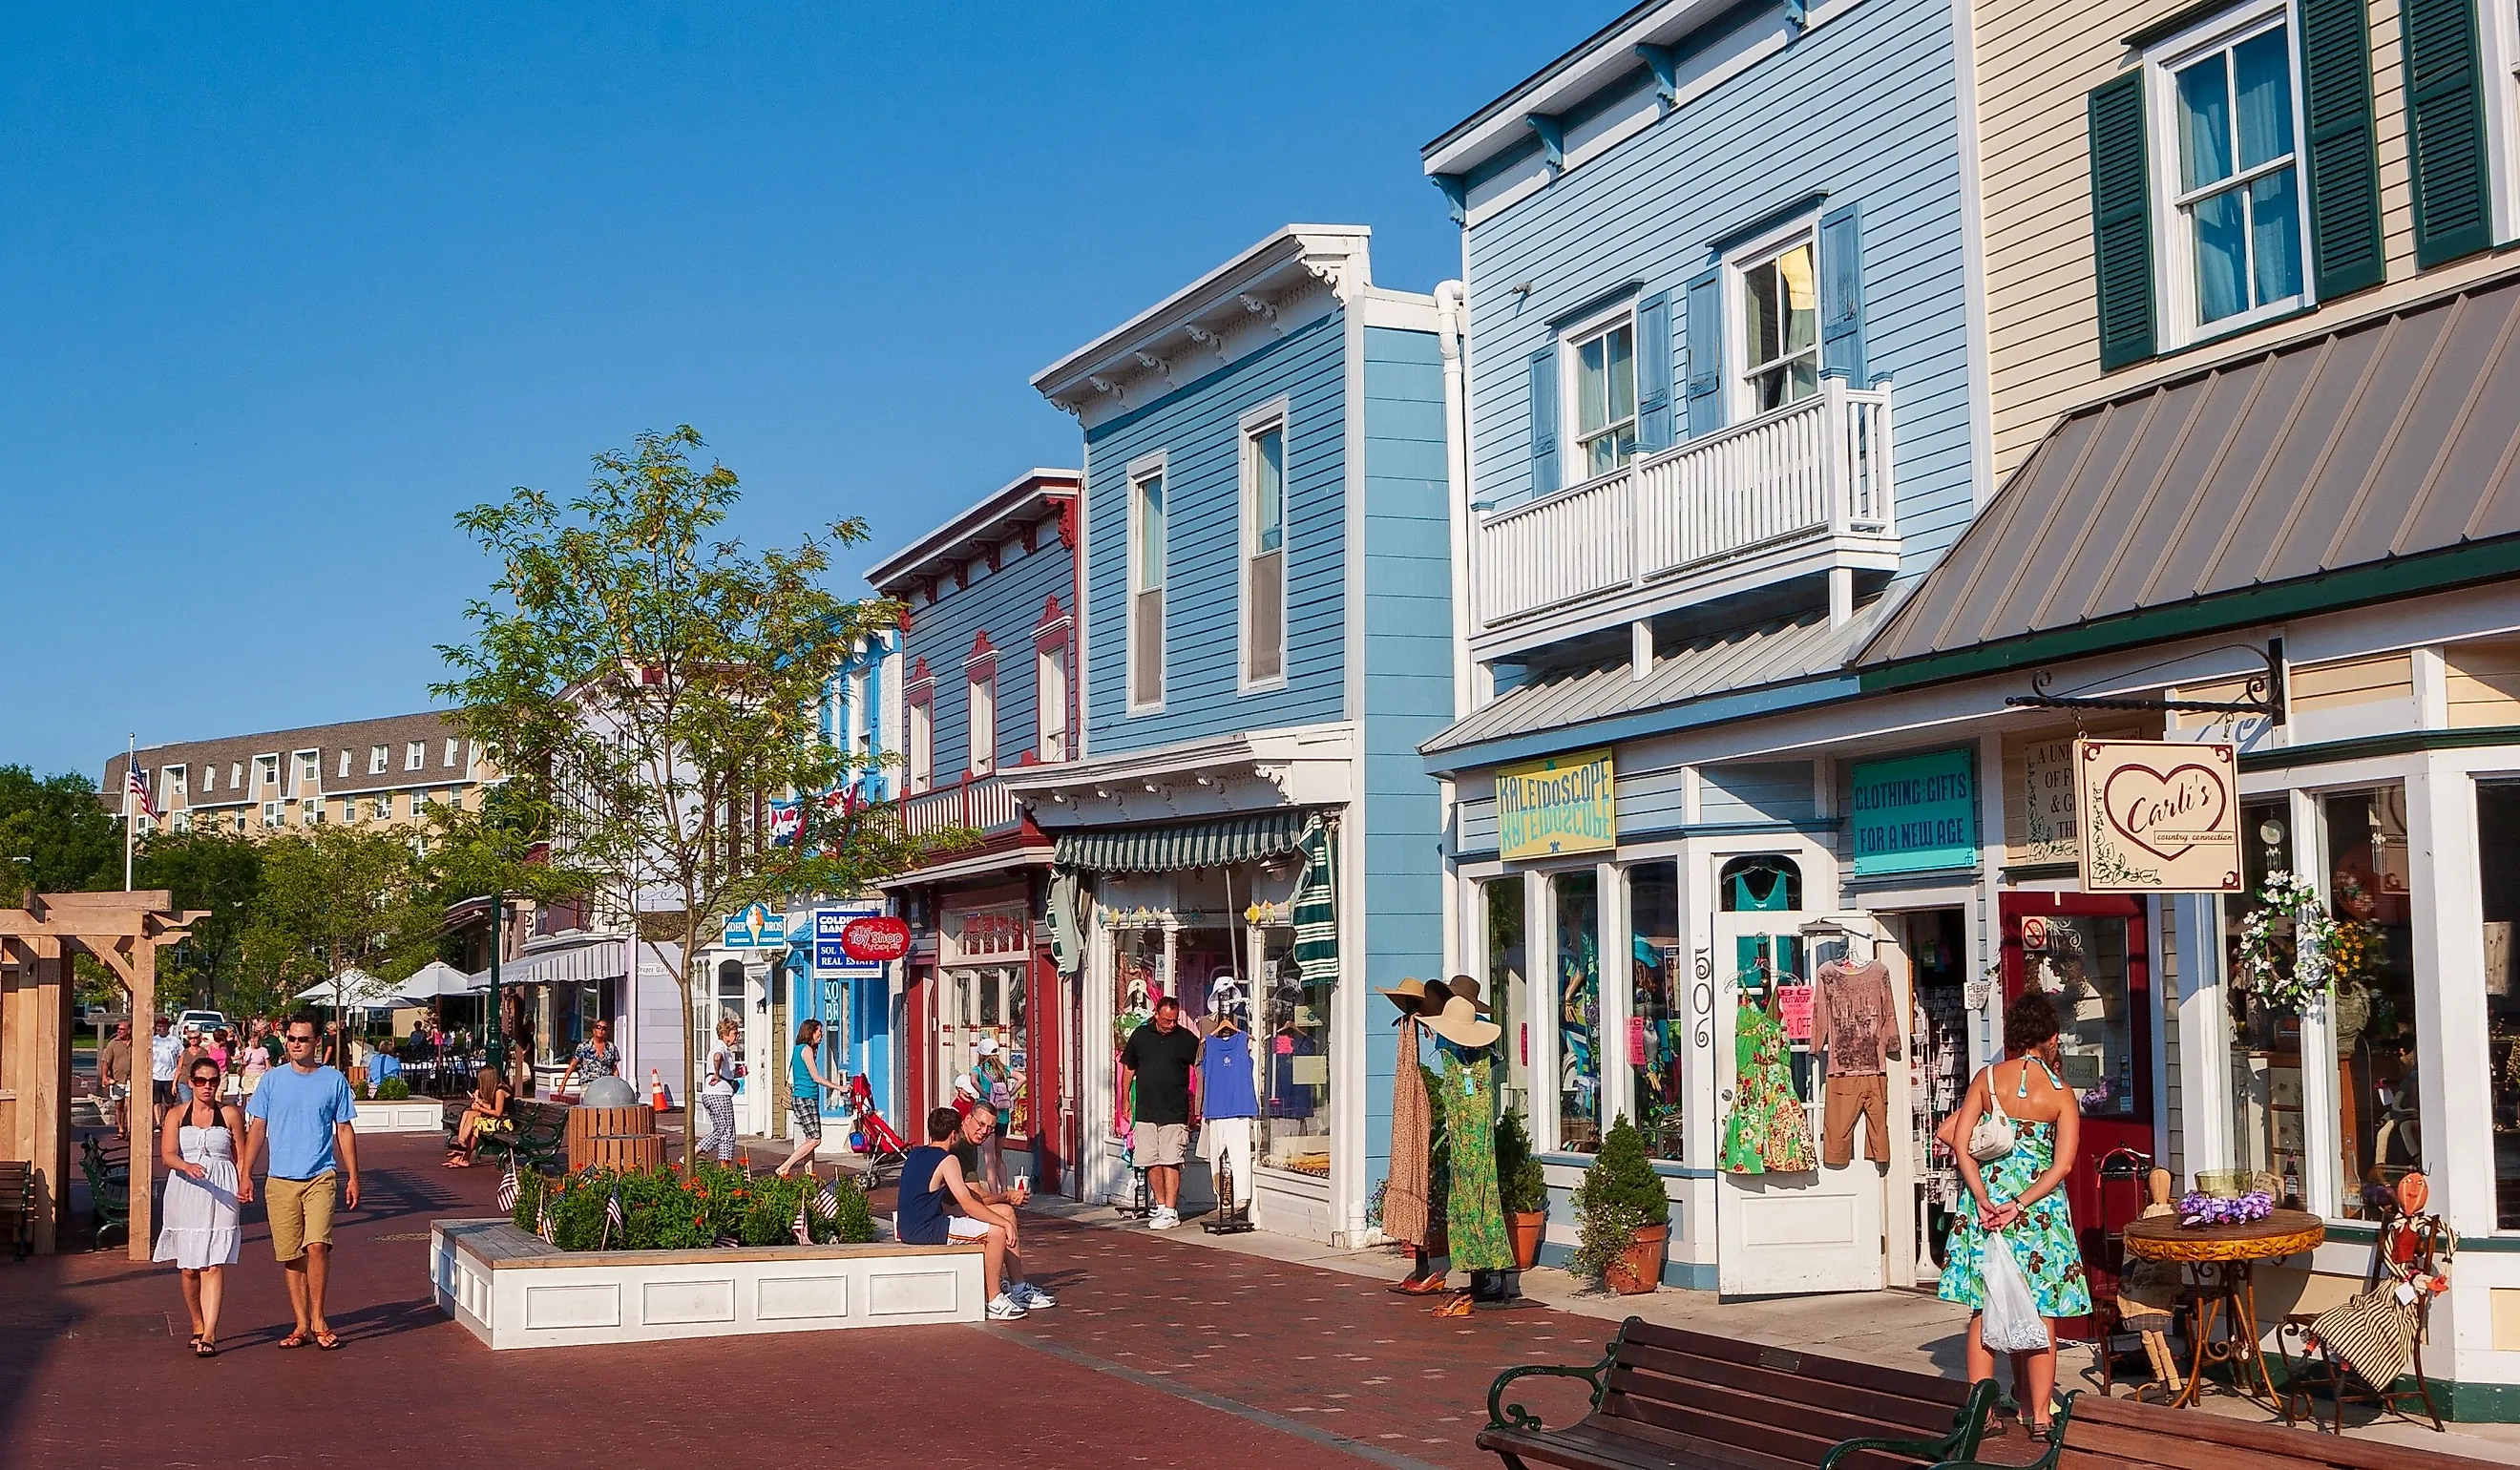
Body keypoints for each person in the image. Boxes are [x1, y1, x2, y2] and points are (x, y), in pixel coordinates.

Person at [1937, 995, 2089, 1441]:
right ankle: (2039, 1416)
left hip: (1984, 1211)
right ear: (2052, 1037)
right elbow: (2062, 1166)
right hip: (2037, 1212)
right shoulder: (2061, 1093)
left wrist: (1983, 1197)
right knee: (2042, 1311)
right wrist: (2020, 1203)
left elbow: (1960, 1143)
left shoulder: (1987, 1079)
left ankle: (1983, 1414)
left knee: (1984, 1309)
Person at [241, 1011, 362, 1352]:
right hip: (280, 1179)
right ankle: (301, 1324)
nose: (295, 1044)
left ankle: (319, 1319)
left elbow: (344, 1129)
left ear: (316, 1042)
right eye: (290, 1038)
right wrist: (246, 1172)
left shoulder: (333, 1080)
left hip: (321, 1175)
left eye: (302, 1039)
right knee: (291, 1254)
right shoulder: (272, 1080)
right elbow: (257, 1128)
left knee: (317, 1246)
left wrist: (353, 1176)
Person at [896, 1102, 1053, 1319]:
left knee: (1000, 1220)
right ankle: (994, 1299)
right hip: (928, 1228)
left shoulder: (915, 1154)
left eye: (990, 1127)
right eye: (981, 1124)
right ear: (955, 1133)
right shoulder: (948, 1158)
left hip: (910, 1225)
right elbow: (969, 1201)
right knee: (997, 1230)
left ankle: (1013, 1288)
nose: (985, 1131)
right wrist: (1005, 1221)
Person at [156, 1056, 246, 1357]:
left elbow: (241, 1155)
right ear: (191, 1083)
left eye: (213, 1081)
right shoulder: (177, 1115)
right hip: (186, 1188)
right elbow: (167, 1154)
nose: (207, 1086)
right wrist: (186, 1165)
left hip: (221, 1189)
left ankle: (210, 1333)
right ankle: (197, 1321)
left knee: (213, 1262)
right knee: (189, 1268)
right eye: (200, 1081)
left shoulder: (230, 1114)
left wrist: (244, 1181)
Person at [1117, 995, 1199, 1228]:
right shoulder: (1141, 1036)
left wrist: (1197, 1105)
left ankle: (1172, 1211)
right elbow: (1128, 1070)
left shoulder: (1186, 1039)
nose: (1170, 1025)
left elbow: (1201, 1070)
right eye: (1166, 1021)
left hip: (1175, 1109)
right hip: (1146, 1109)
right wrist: (1125, 1102)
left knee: (1171, 1160)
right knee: (1149, 1159)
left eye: (1173, 1021)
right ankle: (1161, 1205)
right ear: (1156, 1015)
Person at [775, 1018, 846, 1178]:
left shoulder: (800, 1049)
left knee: (809, 1140)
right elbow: (816, 1077)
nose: (822, 1034)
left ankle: (809, 1176)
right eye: (819, 1031)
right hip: (805, 1097)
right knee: (815, 1139)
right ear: (811, 1032)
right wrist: (838, 1087)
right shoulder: (805, 1050)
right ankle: (784, 1167)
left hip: (807, 1098)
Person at [446, 1066, 512, 1167]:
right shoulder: (496, 1089)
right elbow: (491, 1107)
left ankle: (462, 1152)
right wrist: (478, 1101)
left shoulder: (500, 1091)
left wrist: (479, 1108)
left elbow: (498, 1113)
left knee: (474, 1118)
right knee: (468, 1113)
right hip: (499, 1120)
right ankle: (461, 1147)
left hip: (506, 1123)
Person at [700, 1018, 743, 1165]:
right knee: (728, 1132)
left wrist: (737, 1073)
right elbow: (717, 1058)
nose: (737, 1036)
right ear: (725, 1034)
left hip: (709, 1094)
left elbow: (724, 1068)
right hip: (720, 1094)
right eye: (734, 1033)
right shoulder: (721, 1048)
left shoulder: (721, 1048)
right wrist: (717, 1074)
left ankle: (691, 1155)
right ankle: (725, 1167)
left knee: (720, 1130)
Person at [555, 1019, 619, 1098]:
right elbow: (572, 1065)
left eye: (604, 1028)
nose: (601, 1030)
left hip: (605, 1086)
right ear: (594, 1029)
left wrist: (617, 1085)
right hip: (588, 1085)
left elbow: (614, 1068)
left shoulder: (611, 1048)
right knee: (589, 1109)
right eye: (598, 1027)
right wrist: (563, 1084)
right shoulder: (584, 1047)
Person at [98, 1020, 134, 1138]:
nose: (119, 1031)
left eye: (122, 1029)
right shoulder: (113, 1044)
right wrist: (104, 1076)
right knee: (119, 1105)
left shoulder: (136, 1043)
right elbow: (106, 1062)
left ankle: (129, 1130)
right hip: (118, 1080)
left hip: (132, 1080)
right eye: (118, 1029)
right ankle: (120, 1128)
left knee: (130, 1104)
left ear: (129, 1030)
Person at [148, 1017, 182, 1128]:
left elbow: (181, 1055)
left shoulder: (174, 1040)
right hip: (155, 1076)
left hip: (169, 1077)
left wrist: (178, 1069)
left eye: (162, 1026)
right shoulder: (153, 1040)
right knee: (156, 1101)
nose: (159, 1028)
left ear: (167, 1027)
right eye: (158, 1026)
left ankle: (166, 1120)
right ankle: (158, 1122)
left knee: (169, 1103)